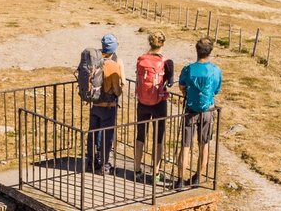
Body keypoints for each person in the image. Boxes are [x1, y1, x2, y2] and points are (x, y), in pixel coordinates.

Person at [176, 37, 221, 189]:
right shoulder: (215, 70)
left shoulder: (188, 69)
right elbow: (216, 89)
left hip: (190, 109)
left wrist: (186, 94)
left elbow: (181, 85)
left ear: (197, 50)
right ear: (210, 52)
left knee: (185, 146)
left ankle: (180, 179)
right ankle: (198, 178)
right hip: (208, 110)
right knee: (204, 144)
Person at [133, 31, 175, 184]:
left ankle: (137, 169)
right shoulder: (167, 62)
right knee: (159, 138)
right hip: (159, 103)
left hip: (142, 102)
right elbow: (170, 82)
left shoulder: (141, 59)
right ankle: (156, 173)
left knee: (140, 135)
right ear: (163, 43)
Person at [85, 34, 126, 175]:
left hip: (95, 104)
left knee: (93, 133)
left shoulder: (94, 61)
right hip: (108, 107)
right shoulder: (113, 65)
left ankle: (90, 162)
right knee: (107, 136)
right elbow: (117, 90)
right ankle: (105, 165)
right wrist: (120, 89)